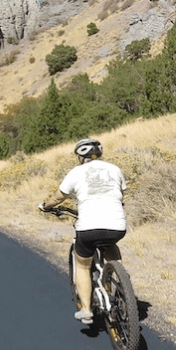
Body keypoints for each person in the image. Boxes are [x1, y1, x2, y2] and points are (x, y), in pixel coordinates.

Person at [39, 138, 127, 324]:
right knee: (110, 242)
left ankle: (86, 310)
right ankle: (119, 277)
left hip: (89, 227)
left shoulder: (76, 172)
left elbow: (58, 198)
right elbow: (121, 194)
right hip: (117, 226)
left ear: (80, 156)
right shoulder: (115, 169)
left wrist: (46, 206)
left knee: (83, 265)